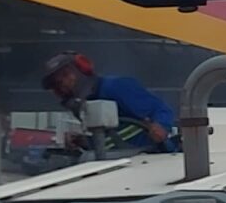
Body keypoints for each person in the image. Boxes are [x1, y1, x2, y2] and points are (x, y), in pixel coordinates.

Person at [41, 52, 178, 152]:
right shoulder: (84, 106)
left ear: (82, 69)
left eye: (65, 75)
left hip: (153, 158)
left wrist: (162, 126)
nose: (62, 84)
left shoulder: (115, 86)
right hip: (120, 164)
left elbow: (161, 109)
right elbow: (111, 139)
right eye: (56, 83)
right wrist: (84, 142)